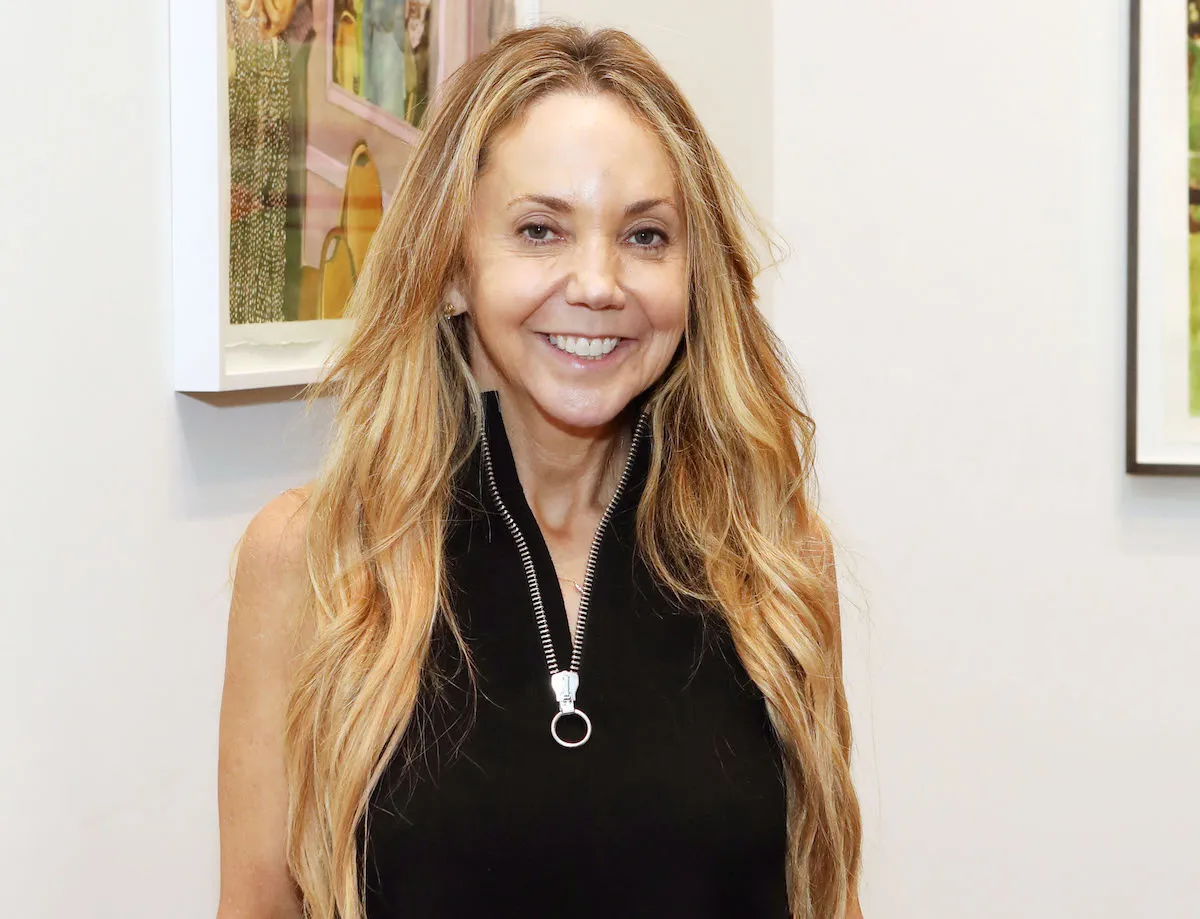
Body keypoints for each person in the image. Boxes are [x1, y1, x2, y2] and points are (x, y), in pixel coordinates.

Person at [216, 24, 864, 919]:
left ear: (692, 276)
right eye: (539, 229)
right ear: (453, 270)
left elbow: (825, 899)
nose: (598, 283)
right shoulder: (315, 561)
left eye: (645, 235)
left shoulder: (776, 563)